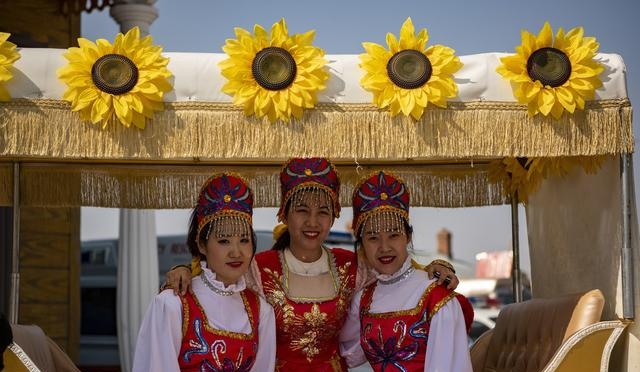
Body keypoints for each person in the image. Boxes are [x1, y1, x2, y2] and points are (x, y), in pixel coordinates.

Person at [166, 157, 460, 371]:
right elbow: (216, 281)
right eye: (302, 211)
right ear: (284, 214)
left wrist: (430, 267)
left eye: (322, 212)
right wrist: (183, 270)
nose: (312, 222)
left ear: (333, 217)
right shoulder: (257, 267)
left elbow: (395, 270)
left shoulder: (353, 266)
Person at [132, 173, 276, 372]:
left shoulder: (261, 310)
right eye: (224, 241)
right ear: (201, 244)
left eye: (244, 240)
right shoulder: (172, 304)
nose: (236, 252)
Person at [340, 171, 473, 371]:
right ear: (362, 243)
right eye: (373, 238)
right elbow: (344, 352)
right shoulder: (363, 299)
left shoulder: (436, 296)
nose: (384, 247)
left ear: (408, 237)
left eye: (394, 235)